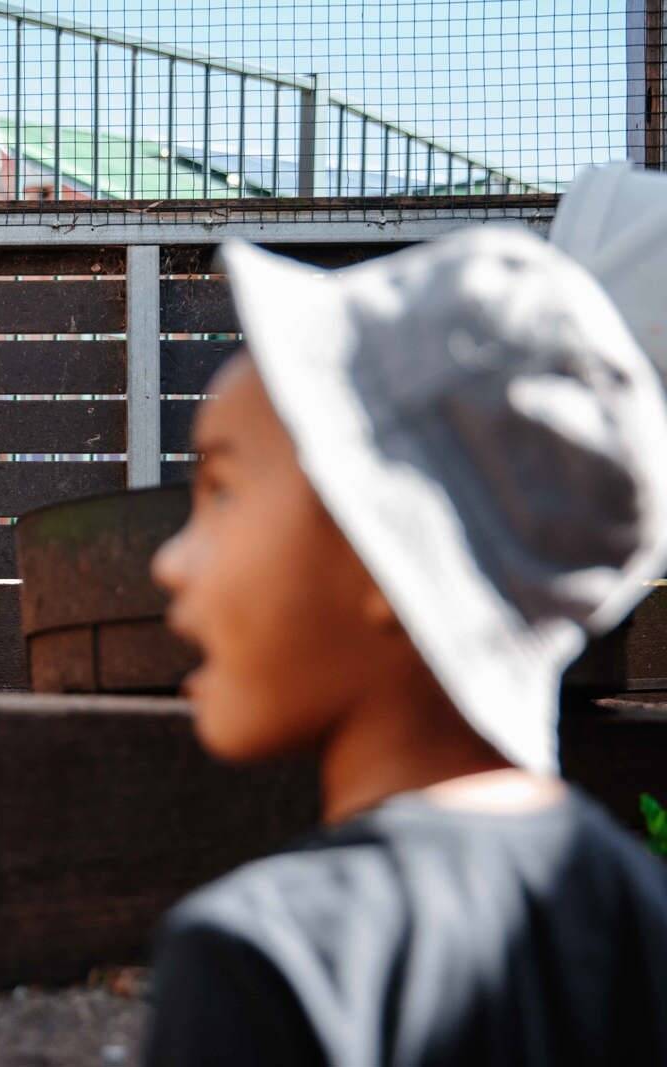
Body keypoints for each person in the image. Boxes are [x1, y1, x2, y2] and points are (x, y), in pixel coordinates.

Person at [141, 169, 667, 1066]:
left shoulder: (264, 962)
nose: (168, 560)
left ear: (390, 546)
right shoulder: (644, 920)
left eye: (222, 490)